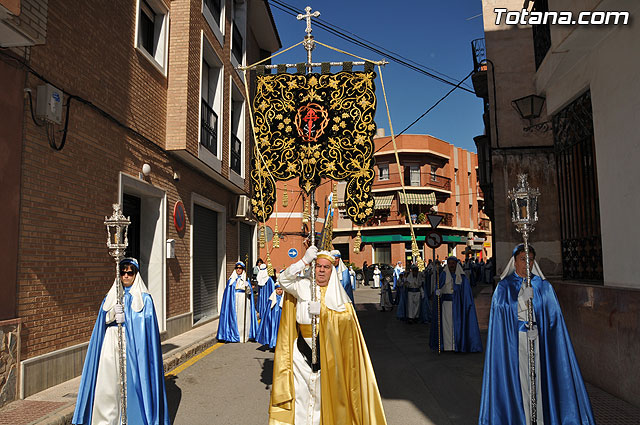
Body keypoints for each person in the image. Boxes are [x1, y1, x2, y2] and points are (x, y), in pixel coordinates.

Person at [269, 246, 387, 425]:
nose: (322, 270)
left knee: (321, 396)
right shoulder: (302, 286)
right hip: (301, 351)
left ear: (332, 270)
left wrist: (323, 313)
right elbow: (283, 279)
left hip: (330, 353)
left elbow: (346, 332)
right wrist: (303, 261)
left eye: (326, 267)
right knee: (301, 394)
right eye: (318, 266)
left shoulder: (341, 300)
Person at [479, 244, 595, 425]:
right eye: (523, 259)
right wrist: (521, 304)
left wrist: (537, 327)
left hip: (540, 343)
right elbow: (500, 319)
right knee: (521, 382)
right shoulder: (503, 287)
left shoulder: (543, 286)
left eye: (530, 260)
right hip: (514, 344)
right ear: (514, 261)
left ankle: (539, 419)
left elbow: (553, 319)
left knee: (539, 380)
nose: (527, 264)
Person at [72, 258, 170, 425]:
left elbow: (146, 326)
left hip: (132, 347)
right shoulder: (111, 296)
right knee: (108, 385)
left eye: (129, 272)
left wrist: (128, 318)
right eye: (122, 272)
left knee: (131, 384)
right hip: (110, 344)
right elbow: (101, 321)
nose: (126, 275)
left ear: (136, 274)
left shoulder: (145, 299)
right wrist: (110, 315)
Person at [430, 256, 482, 352]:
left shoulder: (462, 277)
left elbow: (466, 294)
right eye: (449, 263)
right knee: (446, 325)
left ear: (456, 264)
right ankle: (447, 346)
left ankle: (457, 345)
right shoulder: (443, 275)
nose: (451, 265)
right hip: (446, 305)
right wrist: (438, 292)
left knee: (457, 325)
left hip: (458, 306)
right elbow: (439, 288)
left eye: (453, 263)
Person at [216, 261, 258, 343]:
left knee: (243, 317)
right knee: (235, 317)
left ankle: (243, 335)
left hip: (243, 299)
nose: (238, 270)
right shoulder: (231, 280)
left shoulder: (246, 279)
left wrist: (248, 287)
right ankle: (234, 335)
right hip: (234, 300)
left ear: (243, 269)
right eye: (237, 268)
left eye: (240, 268)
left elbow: (249, 292)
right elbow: (228, 293)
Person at [256, 283, 284, 349]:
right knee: (273, 329)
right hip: (273, 317)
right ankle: (273, 344)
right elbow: (268, 310)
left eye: (281, 289)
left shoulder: (284, 299)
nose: (279, 291)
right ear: (275, 290)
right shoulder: (272, 298)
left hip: (280, 317)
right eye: (278, 289)